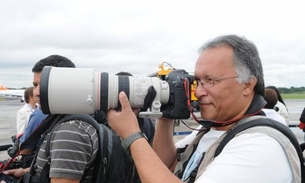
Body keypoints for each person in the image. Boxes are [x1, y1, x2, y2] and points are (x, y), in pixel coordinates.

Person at [107, 35, 300, 182]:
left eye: (211, 81)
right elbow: (164, 167)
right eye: (197, 81)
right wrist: (166, 116)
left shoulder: (262, 143)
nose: (198, 92)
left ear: (248, 85)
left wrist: (132, 135)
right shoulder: (213, 129)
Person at [1, 55, 99, 183]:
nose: (36, 92)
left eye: (43, 85)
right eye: (35, 85)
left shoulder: (69, 132)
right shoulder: (65, 119)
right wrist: (25, 172)